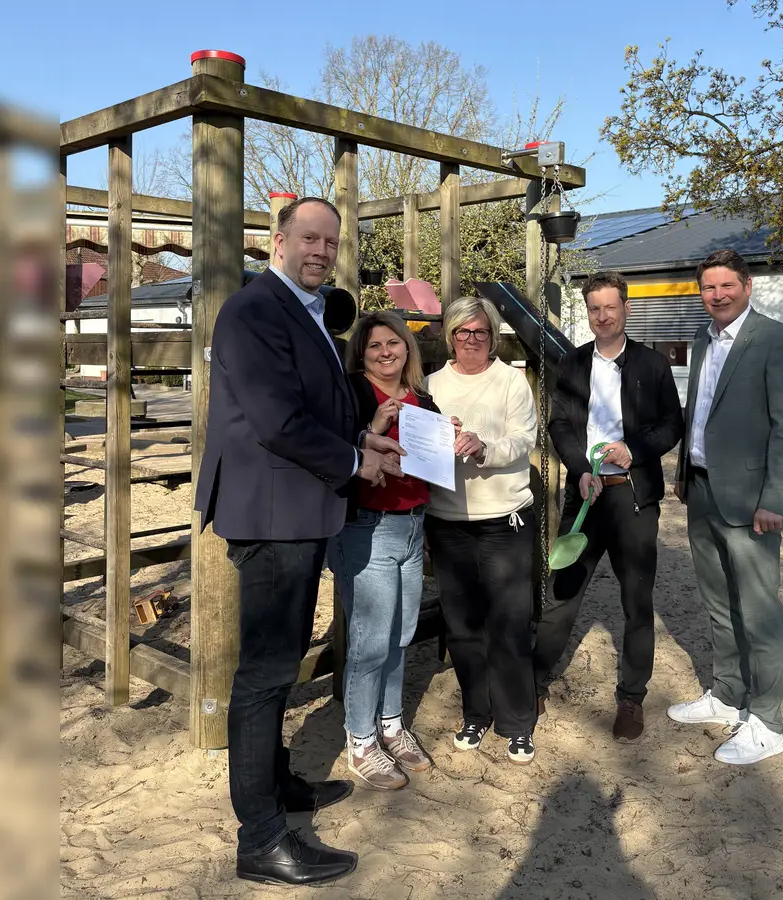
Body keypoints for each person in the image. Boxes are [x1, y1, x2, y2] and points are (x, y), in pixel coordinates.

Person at [193, 196, 403, 887]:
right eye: (309, 237)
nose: (321, 250)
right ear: (276, 241)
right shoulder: (255, 310)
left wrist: (360, 436)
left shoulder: (300, 310)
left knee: (276, 665)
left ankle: (276, 783)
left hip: (295, 511)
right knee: (264, 673)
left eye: (330, 242)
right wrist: (354, 463)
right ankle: (260, 839)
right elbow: (279, 421)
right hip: (273, 515)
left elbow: (315, 405)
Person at [668, 248, 783, 766]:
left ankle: (767, 721)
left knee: (759, 610)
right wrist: (684, 474)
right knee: (718, 603)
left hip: (752, 502)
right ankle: (727, 695)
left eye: (727, 286)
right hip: (702, 490)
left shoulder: (776, 341)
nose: (718, 295)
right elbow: (698, 411)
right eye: (708, 288)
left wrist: (776, 498)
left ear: (747, 286)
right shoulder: (705, 340)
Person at [534, 271, 684, 742]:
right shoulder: (573, 364)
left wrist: (634, 450)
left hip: (633, 497)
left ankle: (631, 698)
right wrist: (579, 467)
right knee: (562, 594)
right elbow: (559, 424)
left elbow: (671, 424)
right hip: (586, 495)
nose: (603, 316)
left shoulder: (652, 365)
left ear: (626, 309)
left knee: (636, 602)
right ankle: (535, 681)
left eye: (610, 307)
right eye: (594, 309)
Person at [424, 297, 540, 764]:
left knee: (509, 622)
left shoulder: (511, 381)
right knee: (463, 626)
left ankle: (517, 720)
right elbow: (419, 446)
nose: (471, 340)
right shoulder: (431, 383)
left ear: (493, 336)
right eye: (462, 332)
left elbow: (522, 441)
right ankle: (476, 710)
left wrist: (481, 445)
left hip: (503, 518)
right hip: (448, 520)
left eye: (480, 332)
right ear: (450, 335)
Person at [328, 310, 437, 790]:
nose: (386, 352)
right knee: (370, 640)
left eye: (394, 343)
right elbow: (333, 445)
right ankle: (361, 740)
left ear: (407, 349)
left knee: (400, 632)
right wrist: (372, 423)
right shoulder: (350, 394)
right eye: (375, 346)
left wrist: (448, 438)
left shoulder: (423, 400)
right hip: (366, 527)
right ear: (361, 353)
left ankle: (390, 723)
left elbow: (431, 464)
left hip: (413, 524)